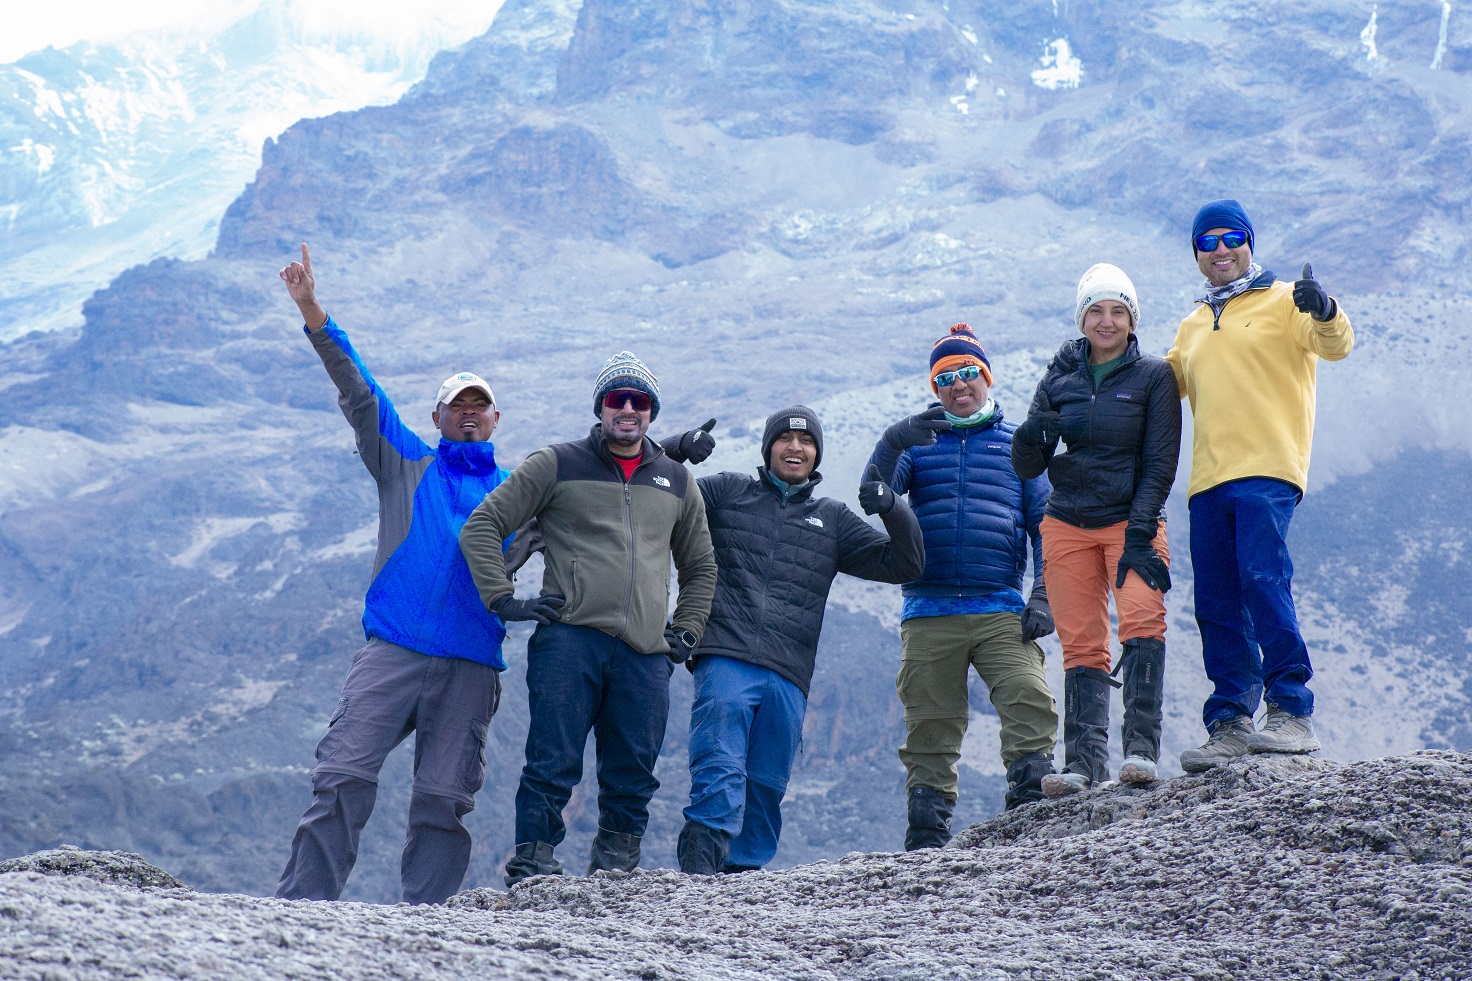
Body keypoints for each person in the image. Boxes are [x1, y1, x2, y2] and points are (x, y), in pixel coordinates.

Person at [274, 244, 528, 905]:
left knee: (444, 800)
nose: (468, 412)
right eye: (456, 404)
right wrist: (313, 310)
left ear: (496, 419)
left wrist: (665, 454)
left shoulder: (521, 493)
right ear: (435, 416)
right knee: (343, 774)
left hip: (471, 663)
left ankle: (428, 928)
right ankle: (300, 912)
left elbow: (593, 495)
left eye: (480, 405)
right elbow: (360, 391)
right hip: (393, 651)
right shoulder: (405, 464)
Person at [459, 352, 718, 885]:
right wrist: (503, 599)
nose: (628, 409)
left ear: (651, 411)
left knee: (633, 776)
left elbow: (701, 566)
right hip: (569, 642)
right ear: (600, 407)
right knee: (551, 763)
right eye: (617, 399)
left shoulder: (676, 480)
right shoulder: (556, 463)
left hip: (646, 654)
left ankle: (615, 876)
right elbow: (482, 525)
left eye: (639, 401)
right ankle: (533, 869)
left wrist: (688, 630)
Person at [676, 406, 925, 875]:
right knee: (719, 763)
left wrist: (893, 507)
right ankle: (699, 873)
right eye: (785, 439)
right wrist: (675, 449)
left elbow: (905, 564)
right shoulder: (727, 492)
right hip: (726, 654)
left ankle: (743, 883)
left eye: (807, 441)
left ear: (817, 454)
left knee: (767, 781)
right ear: (768, 448)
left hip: (789, 671)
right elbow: (660, 495)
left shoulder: (831, 519)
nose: (796, 447)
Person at [1166, 199, 1354, 771]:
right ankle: (1229, 723)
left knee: (1262, 578)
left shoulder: (1285, 300)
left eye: (1232, 238)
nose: (1221, 250)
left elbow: (1336, 345)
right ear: (1196, 253)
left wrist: (1325, 308)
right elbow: (1158, 388)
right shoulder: (1193, 325)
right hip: (1208, 480)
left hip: (1268, 470)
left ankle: (1292, 711)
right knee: (1215, 600)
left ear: (1250, 242)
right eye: (1208, 242)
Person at [868, 323, 1058, 849]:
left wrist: (1044, 596)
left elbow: (1046, 526)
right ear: (935, 388)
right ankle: (927, 841)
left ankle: (1031, 820)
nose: (959, 384)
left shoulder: (1018, 445)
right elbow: (873, 494)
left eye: (969, 371)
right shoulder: (917, 444)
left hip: (1001, 607)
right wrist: (892, 441)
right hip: (928, 609)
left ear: (987, 377)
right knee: (930, 725)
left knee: (1028, 698)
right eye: (945, 377)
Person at [1011, 263, 1181, 794]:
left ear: (1133, 320)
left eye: (1117, 311)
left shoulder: (1154, 376)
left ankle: (1141, 751)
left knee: (1142, 622)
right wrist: (1030, 435)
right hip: (1067, 523)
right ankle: (1084, 765)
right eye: (1096, 311)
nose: (1106, 321)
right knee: (1081, 642)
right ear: (1081, 318)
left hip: (1132, 521)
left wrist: (1141, 530)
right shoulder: (1059, 377)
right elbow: (1028, 466)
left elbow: (1161, 462)